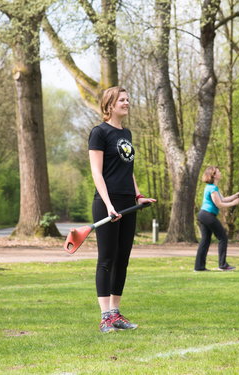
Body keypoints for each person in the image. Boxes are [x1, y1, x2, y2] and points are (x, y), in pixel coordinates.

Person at [88, 86, 156, 333]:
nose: (127, 103)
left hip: (128, 202)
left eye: (128, 99)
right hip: (108, 202)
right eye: (122, 100)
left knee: (122, 259)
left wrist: (138, 196)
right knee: (106, 259)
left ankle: (116, 313)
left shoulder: (126, 133)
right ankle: (104, 316)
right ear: (110, 104)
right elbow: (97, 171)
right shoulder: (99, 132)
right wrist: (108, 205)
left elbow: (129, 170)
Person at [194, 166, 239, 272]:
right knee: (223, 237)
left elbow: (223, 199)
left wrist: (235, 195)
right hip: (207, 215)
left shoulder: (213, 187)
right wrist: (234, 203)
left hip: (204, 215)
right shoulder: (212, 188)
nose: (220, 173)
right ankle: (223, 265)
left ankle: (199, 267)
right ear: (214, 175)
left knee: (205, 240)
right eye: (218, 172)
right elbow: (219, 204)